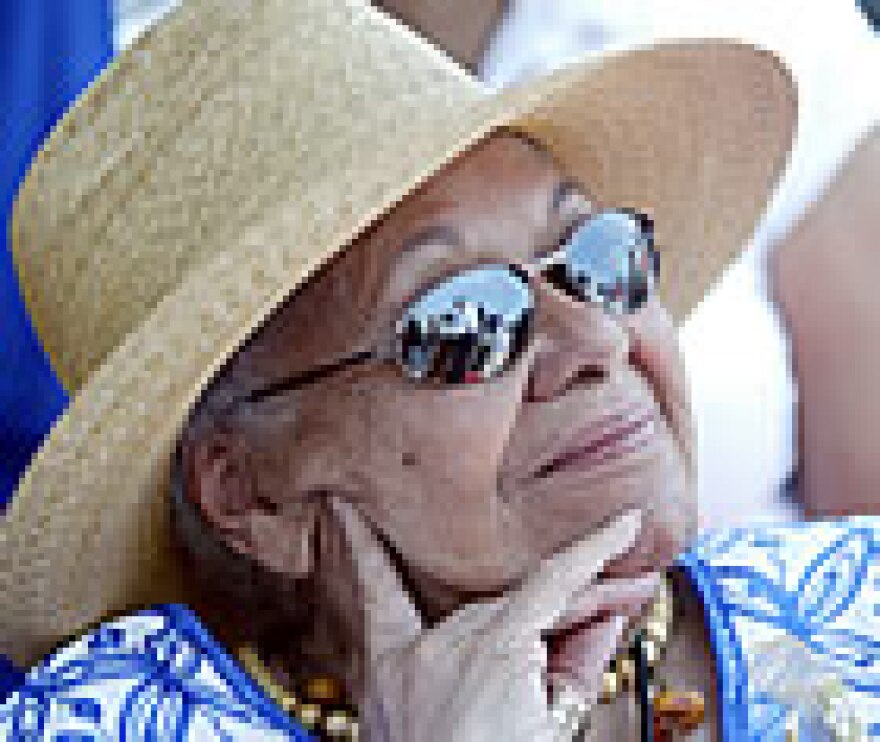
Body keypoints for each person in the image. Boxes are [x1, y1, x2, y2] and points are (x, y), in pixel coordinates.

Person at [12, 0, 875, 739]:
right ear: (253, 494)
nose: (596, 343)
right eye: (464, 324)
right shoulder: (104, 720)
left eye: (600, 260)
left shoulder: (855, 608)